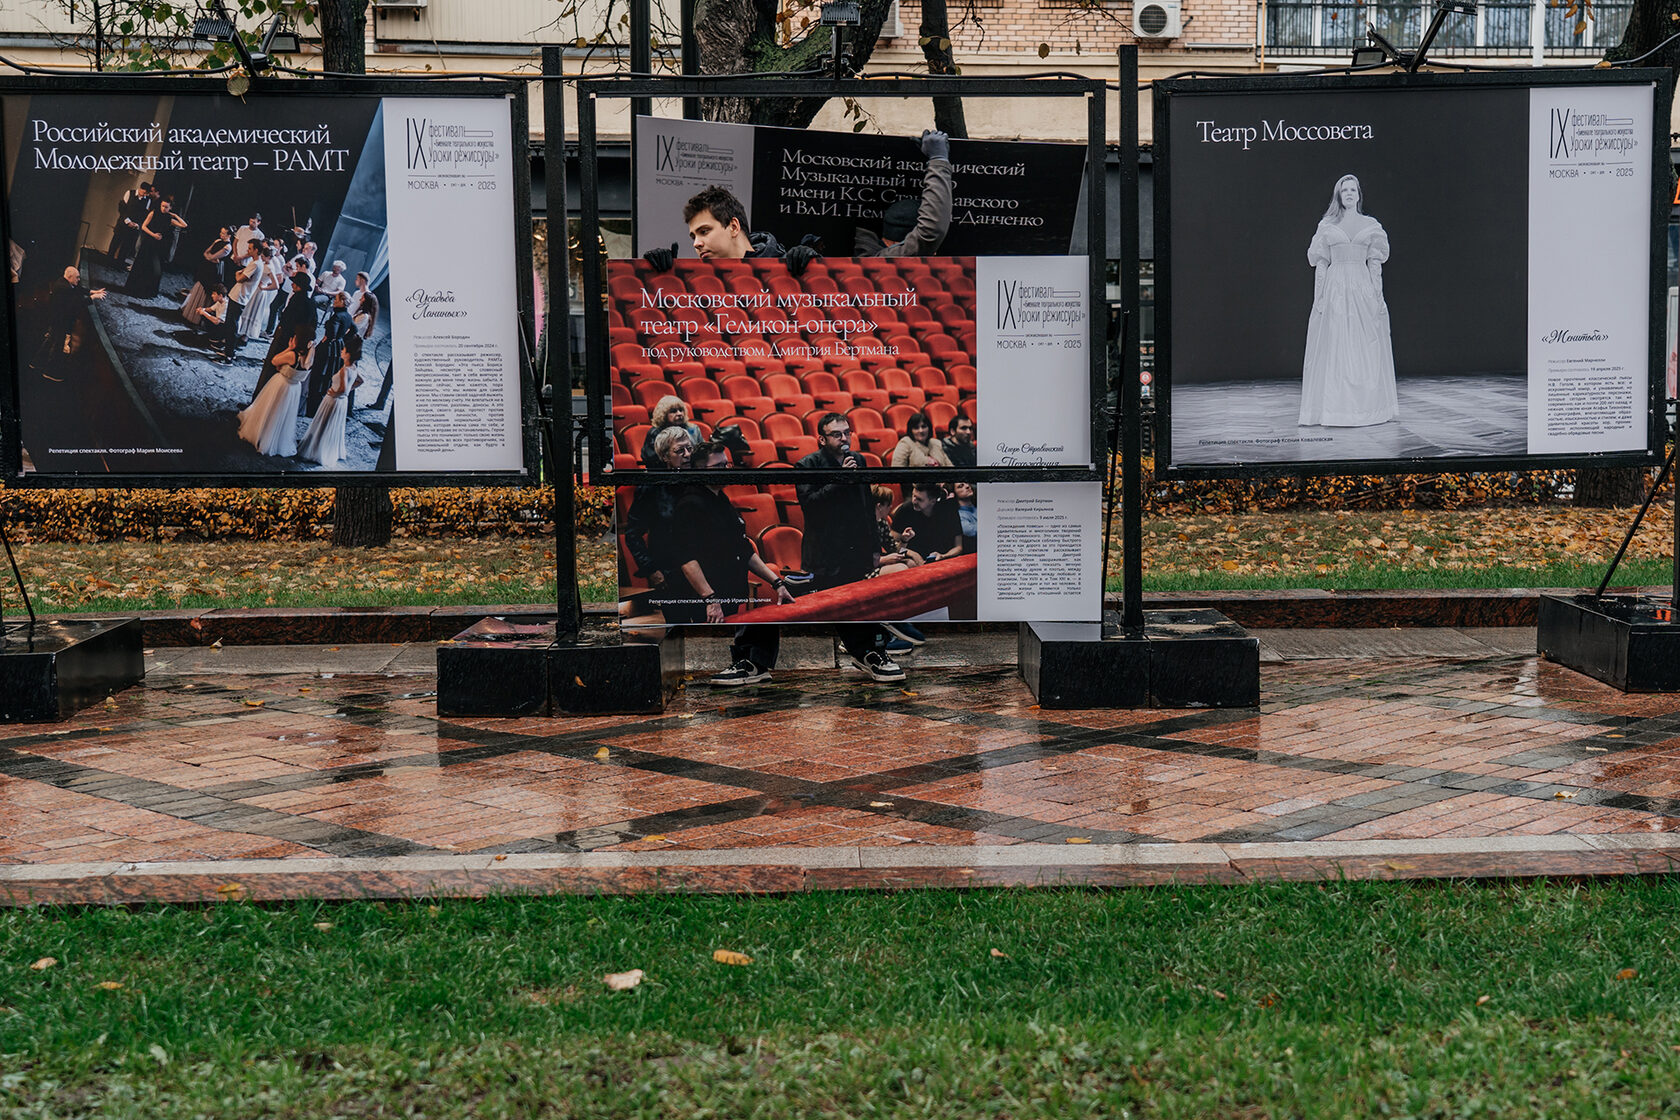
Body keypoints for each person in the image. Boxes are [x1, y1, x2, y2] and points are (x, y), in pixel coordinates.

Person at [656, 442, 794, 626]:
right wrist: (710, 599)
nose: (726, 470)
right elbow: (687, 559)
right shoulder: (690, 504)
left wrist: (777, 583)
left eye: (726, 464)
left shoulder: (720, 498)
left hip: (728, 593)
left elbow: (743, 549)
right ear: (700, 470)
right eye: (718, 466)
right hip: (708, 601)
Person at [1299, 173, 1398, 428]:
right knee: (1336, 343)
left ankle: (1366, 408)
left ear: (1359, 194)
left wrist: (1378, 297)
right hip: (1336, 288)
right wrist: (1319, 298)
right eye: (1345, 190)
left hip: (1362, 287)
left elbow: (1375, 264)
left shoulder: (1371, 225)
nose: (1350, 194)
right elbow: (1321, 264)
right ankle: (1335, 409)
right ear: (1339, 195)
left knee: (1363, 345)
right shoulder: (1327, 226)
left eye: (1353, 190)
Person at [854, 130, 953, 258]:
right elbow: (930, 233)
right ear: (900, 244)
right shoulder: (882, 262)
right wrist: (938, 160)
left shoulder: (863, 253)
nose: (934, 253)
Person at [298, 335, 367, 469]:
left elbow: (343, 388)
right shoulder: (353, 368)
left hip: (334, 401)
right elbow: (360, 381)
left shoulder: (344, 370)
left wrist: (336, 393)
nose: (341, 351)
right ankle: (325, 448)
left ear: (348, 354)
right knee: (332, 427)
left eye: (343, 350)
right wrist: (348, 391)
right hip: (342, 402)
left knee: (324, 424)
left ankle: (317, 449)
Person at [236, 343, 308, 456]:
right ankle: (275, 438)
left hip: (282, 385)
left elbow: (274, 361)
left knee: (270, 410)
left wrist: (289, 348)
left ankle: (263, 434)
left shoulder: (292, 355)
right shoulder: (309, 357)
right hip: (294, 388)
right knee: (282, 415)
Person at [31, 265, 105, 370]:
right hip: (60, 321)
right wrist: (92, 297)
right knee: (58, 345)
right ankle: (50, 371)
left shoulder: (64, 282)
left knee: (50, 341)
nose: (79, 280)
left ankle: (36, 362)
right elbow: (77, 304)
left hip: (56, 319)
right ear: (70, 277)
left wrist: (92, 292)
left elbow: (77, 289)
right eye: (77, 277)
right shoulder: (64, 288)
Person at [124, 196, 187, 299]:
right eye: (162, 206)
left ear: (170, 208)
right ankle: (134, 289)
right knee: (142, 266)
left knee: (154, 270)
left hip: (159, 247)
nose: (163, 208)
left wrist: (175, 215)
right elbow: (144, 226)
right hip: (148, 243)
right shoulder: (153, 213)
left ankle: (146, 291)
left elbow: (184, 225)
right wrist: (153, 235)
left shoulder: (169, 219)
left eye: (166, 207)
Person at [892, 482, 964, 565]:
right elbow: (893, 546)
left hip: (943, 560)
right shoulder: (905, 510)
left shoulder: (948, 510)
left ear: (932, 501)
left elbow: (958, 547)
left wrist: (943, 556)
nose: (914, 501)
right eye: (913, 495)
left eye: (919, 499)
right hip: (914, 562)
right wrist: (912, 554)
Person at [307, 292, 355, 416]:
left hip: (327, 348)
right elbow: (354, 330)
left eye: (336, 300)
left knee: (318, 374)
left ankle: (311, 408)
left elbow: (332, 333)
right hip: (338, 347)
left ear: (342, 302)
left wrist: (328, 338)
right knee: (328, 376)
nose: (334, 301)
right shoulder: (348, 316)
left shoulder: (337, 316)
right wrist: (342, 339)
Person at [181, 227, 231, 324]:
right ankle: (190, 311)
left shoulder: (227, 247)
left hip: (215, 270)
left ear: (229, 235)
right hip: (207, 266)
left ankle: (199, 318)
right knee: (200, 284)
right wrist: (210, 258)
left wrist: (211, 258)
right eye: (221, 232)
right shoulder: (217, 241)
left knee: (208, 289)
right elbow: (206, 253)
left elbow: (213, 256)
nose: (221, 235)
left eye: (224, 233)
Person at [640, 396, 703, 469]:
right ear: (663, 414)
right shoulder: (655, 433)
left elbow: (702, 452)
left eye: (681, 410)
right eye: (673, 411)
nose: (679, 413)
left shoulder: (693, 428)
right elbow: (653, 460)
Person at [107, 182, 153, 265]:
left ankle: (119, 264)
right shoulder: (130, 193)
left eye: (147, 193)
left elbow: (144, 215)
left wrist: (137, 224)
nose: (145, 195)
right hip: (123, 224)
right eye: (144, 192)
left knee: (126, 247)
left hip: (134, 227)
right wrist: (128, 221)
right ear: (141, 189)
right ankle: (108, 262)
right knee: (115, 243)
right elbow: (122, 209)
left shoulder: (148, 200)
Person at [952, 480, 978, 555]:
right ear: (954, 494)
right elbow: (972, 532)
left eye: (966, 483)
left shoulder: (978, 506)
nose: (967, 486)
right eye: (960, 486)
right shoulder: (959, 515)